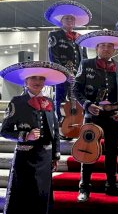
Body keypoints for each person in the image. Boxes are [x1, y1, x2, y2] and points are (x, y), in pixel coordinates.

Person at [0, 61, 70, 214]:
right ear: (26, 81)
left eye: (41, 78)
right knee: (23, 196)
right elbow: (4, 131)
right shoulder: (17, 102)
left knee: (42, 194)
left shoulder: (50, 102)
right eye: (33, 78)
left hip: (44, 158)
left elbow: (55, 131)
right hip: (25, 158)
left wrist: (55, 156)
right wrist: (25, 136)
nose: (38, 82)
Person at [74, 30, 118, 202]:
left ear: (114, 49)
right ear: (97, 48)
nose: (106, 49)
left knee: (112, 152)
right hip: (93, 115)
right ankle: (84, 188)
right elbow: (76, 89)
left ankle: (112, 186)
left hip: (114, 115)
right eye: (102, 46)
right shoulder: (86, 64)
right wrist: (86, 105)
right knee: (87, 151)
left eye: (110, 46)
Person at [45, 0, 91, 140]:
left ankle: (76, 125)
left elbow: (84, 58)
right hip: (61, 75)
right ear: (61, 21)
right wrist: (65, 73)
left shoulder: (79, 37)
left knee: (78, 101)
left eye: (72, 19)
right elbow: (54, 57)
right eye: (67, 18)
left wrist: (83, 74)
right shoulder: (54, 35)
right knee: (60, 101)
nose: (70, 21)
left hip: (78, 77)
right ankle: (61, 127)